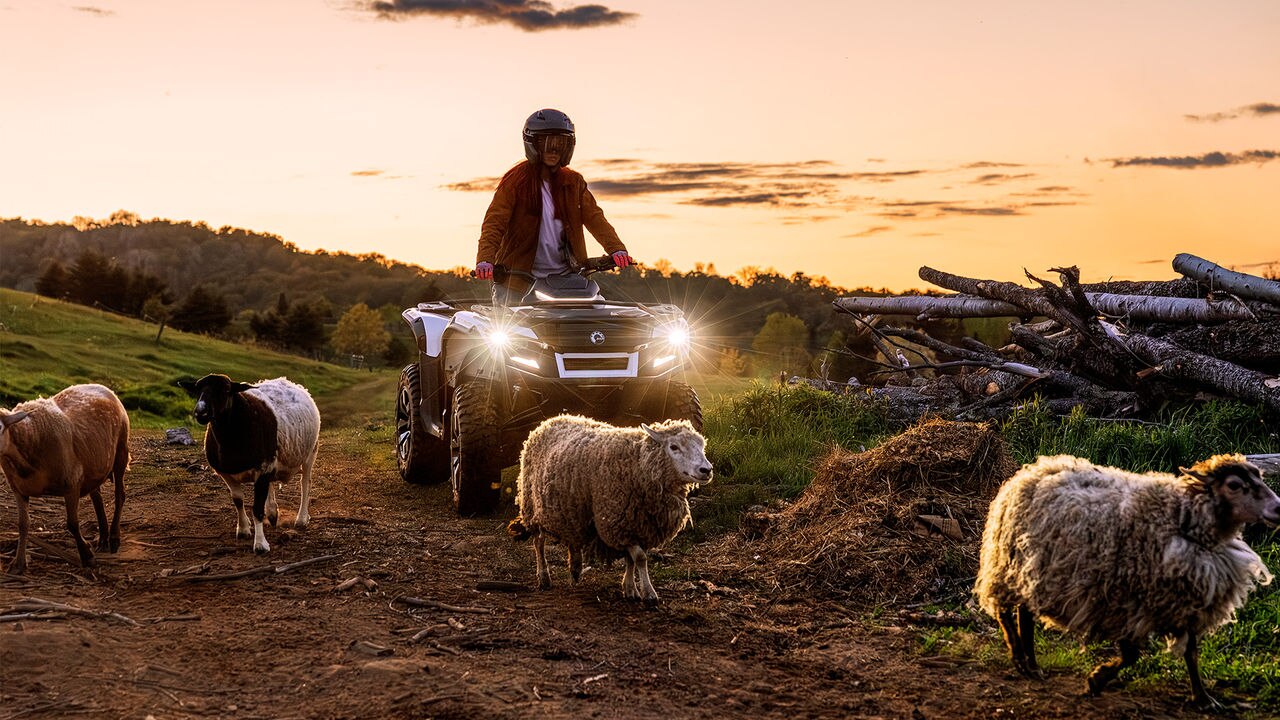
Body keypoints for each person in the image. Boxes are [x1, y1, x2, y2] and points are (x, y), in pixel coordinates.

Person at [475, 108, 633, 304]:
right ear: (532, 144)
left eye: (560, 144)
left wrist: (616, 249)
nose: (553, 150)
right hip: (518, 281)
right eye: (547, 143)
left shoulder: (574, 182)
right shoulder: (514, 182)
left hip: (568, 280)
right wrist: (485, 260)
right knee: (510, 330)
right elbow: (494, 223)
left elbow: (595, 218)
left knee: (591, 322)